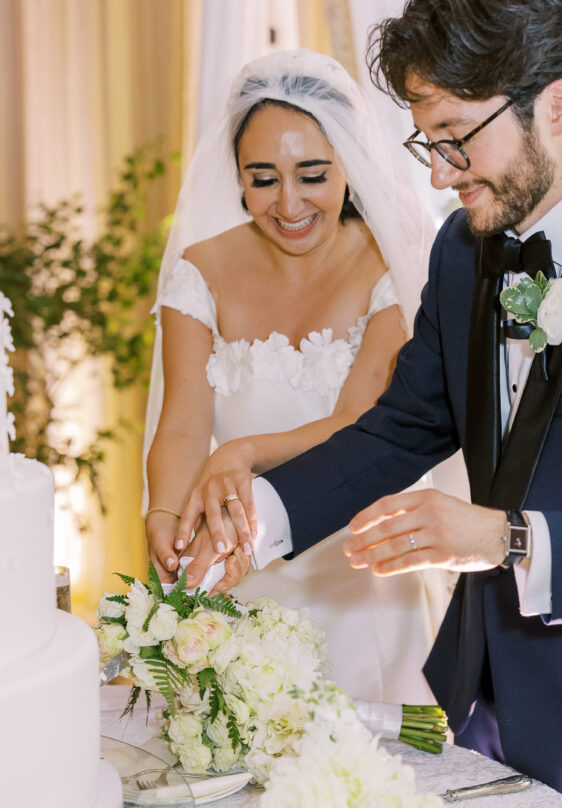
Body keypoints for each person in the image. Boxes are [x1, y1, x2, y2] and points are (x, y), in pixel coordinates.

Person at [195, 0, 562, 808]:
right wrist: (259, 521)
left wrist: (507, 538)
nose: (437, 174)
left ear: (556, 106)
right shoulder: (462, 251)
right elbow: (400, 429)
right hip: (468, 691)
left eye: (456, 136)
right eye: (429, 142)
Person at [143, 49, 439, 704]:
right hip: (238, 572)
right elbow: (184, 420)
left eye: (312, 175)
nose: (289, 202)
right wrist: (164, 513)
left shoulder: (392, 265)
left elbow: (362, 425)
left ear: (347, 167)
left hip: (360, 578)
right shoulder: (199, 270)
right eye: (263, 178)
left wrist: (240, 454)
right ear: (238, 178)